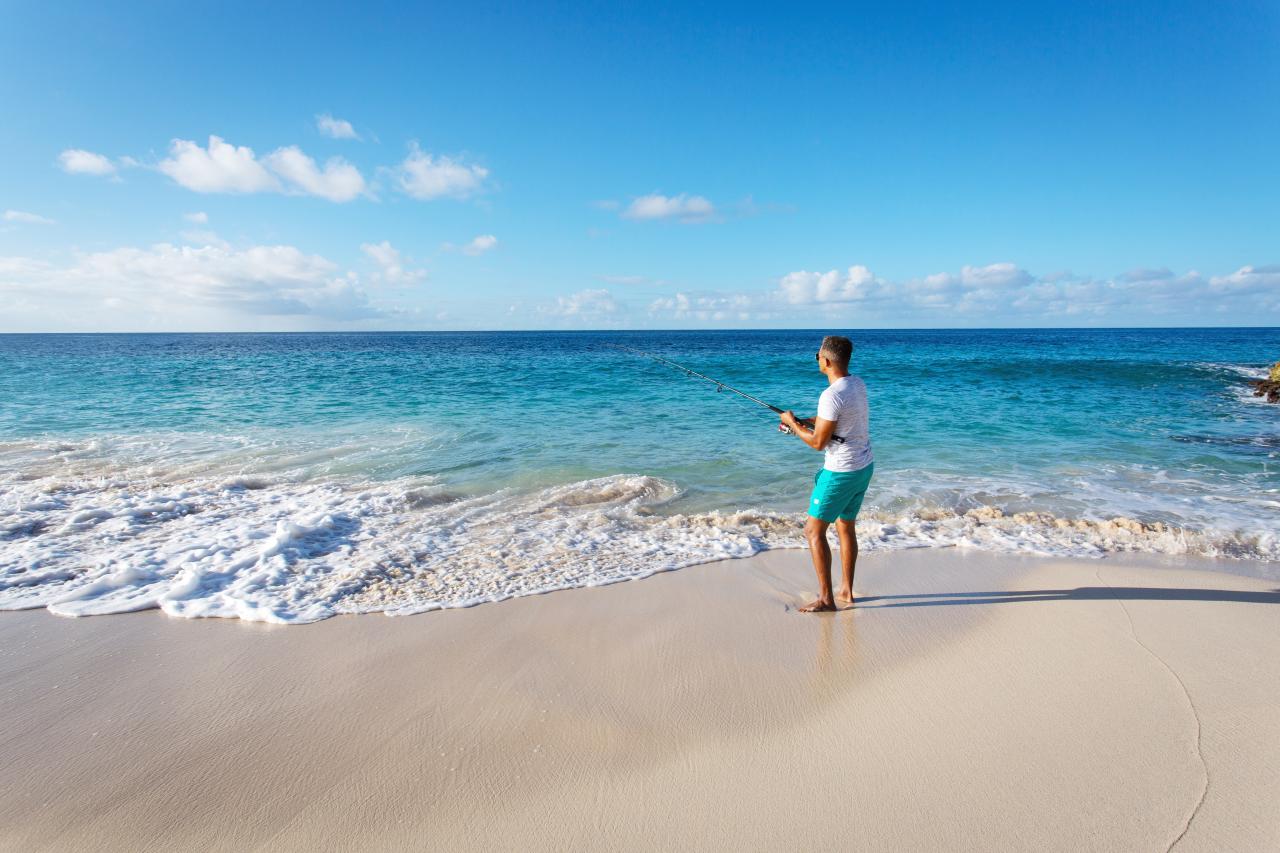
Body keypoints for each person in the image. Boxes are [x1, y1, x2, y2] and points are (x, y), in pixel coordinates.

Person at [778, 335, 874, 612]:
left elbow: (819, 442)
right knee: (845, 526)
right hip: (863, 466)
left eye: (817, 355)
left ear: (828, 361)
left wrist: (792, 425)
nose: (817, 359)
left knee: (813, 531)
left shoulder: (831, 395)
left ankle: (825, 599)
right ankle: (846, 591)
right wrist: (802, 421)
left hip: (840, 472)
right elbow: (834, 421)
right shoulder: (856, 384)